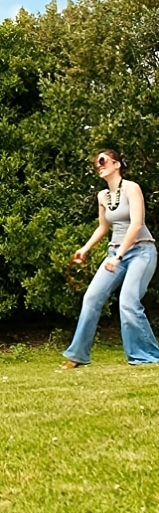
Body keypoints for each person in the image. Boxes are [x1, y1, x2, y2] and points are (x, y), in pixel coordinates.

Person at [63, 148, 159, 368]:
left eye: (103, 160)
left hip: (141, 251)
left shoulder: (131, 188)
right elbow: (103, 227)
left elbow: (136, 224)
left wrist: (119, 255)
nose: (100, 165)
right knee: (91, 298)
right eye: (97, 163)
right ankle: (77, 356)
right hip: (115, 253)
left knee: (128, 302)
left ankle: (145, 355)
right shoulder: (102, 196)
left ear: (117, 164)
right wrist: (85, 249)